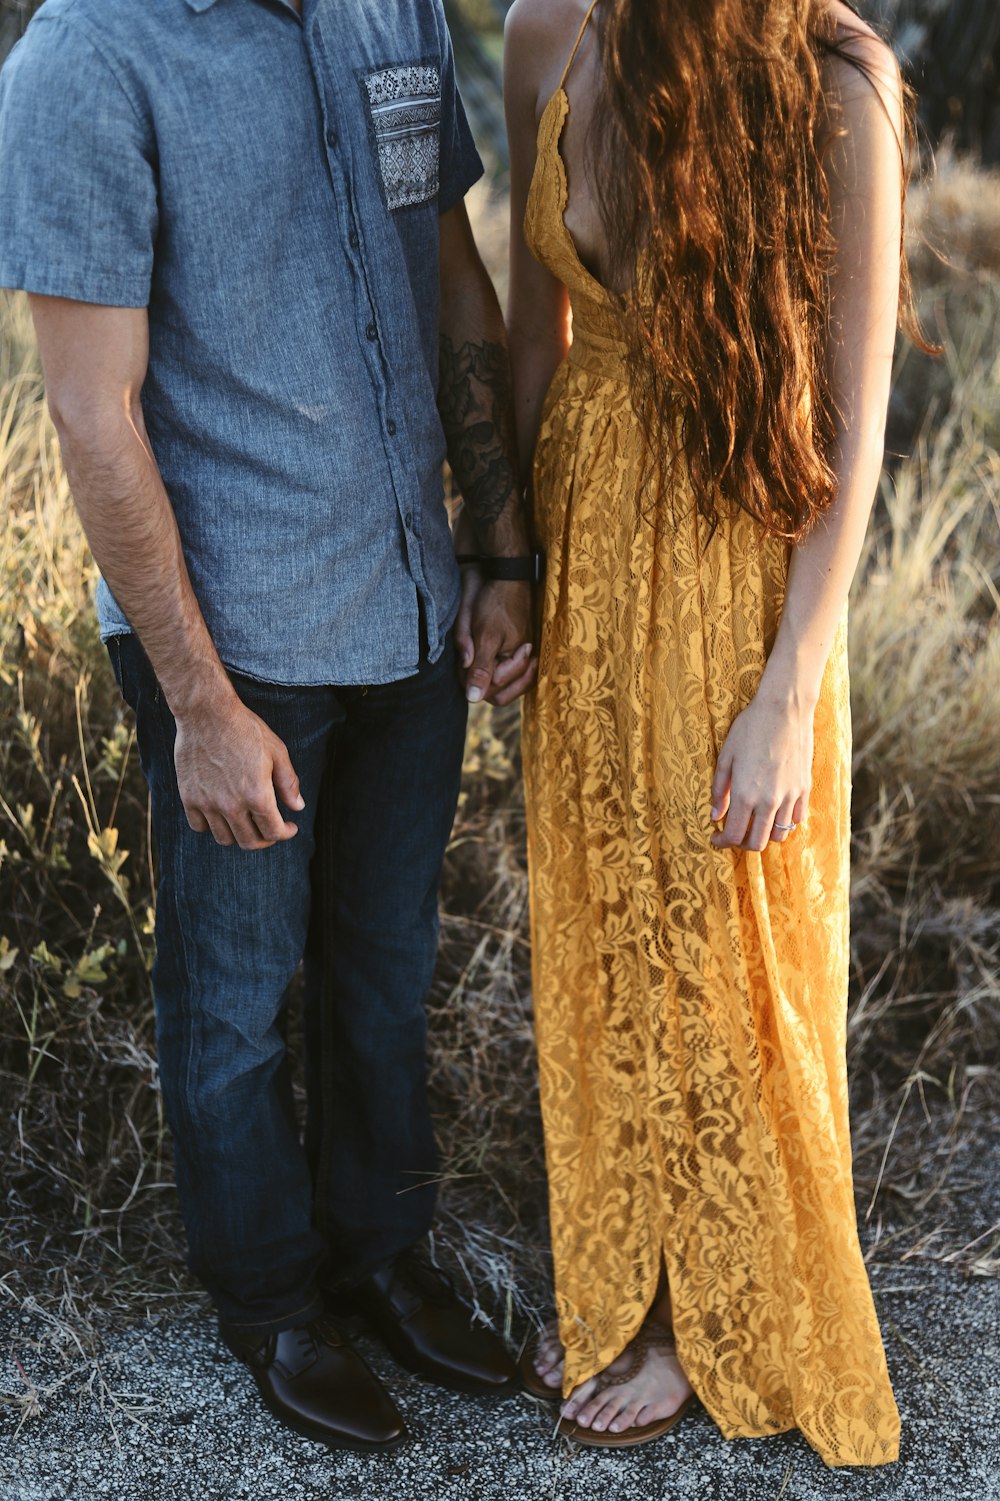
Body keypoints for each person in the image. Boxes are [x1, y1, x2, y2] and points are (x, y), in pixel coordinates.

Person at [0, 0, 538, 1455]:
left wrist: (496, 549)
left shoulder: (396, 6)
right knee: (232, 1007)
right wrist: (199, 704)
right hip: (233, 649)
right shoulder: (84, 63)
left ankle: (382, 1256)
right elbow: (90, 413)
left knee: (383, 971)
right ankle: (274, 1300)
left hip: (412, 610)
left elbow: (451, 272)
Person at [492, 0, 906, 1465]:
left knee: (719, 918)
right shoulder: (545, 38)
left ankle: (699, 1312)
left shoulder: (833, 85)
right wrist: (511, 561)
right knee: (605, 910)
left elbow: (856, 416)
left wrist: (794, 681)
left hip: (739, 562)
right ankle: (619, 1269)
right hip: (589, 545)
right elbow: (540, 336)